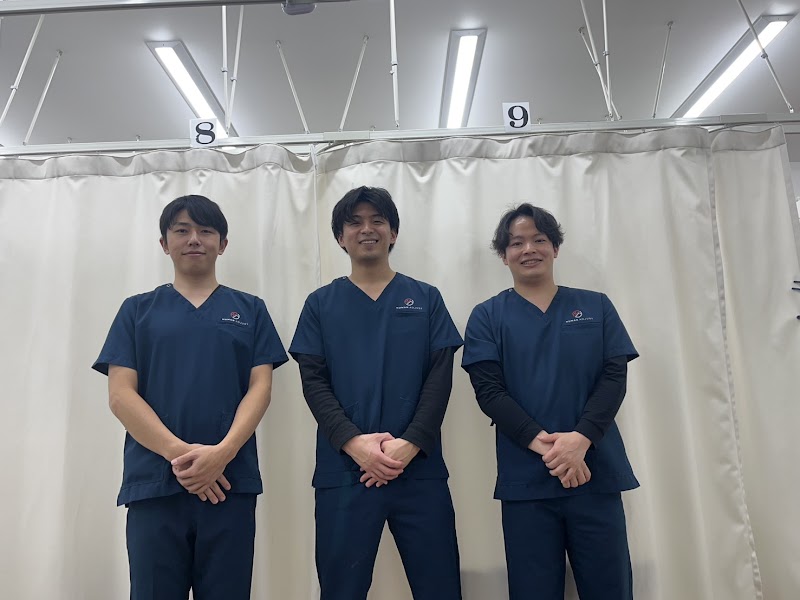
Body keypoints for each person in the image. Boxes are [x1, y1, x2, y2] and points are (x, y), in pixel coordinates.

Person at [92, 194, 288, 599]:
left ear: (223, 243)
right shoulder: (137, 311)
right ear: (164, 243)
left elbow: (261, 389)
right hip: (156, 484)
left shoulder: (250, 310)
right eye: (182, 230)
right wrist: (183, 457)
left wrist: (223, 454)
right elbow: (120, 395)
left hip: (229, 483)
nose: (194, 239)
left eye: (205, 230)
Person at [289, 186, 462, 600]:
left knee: (439, 587)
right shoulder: (320, 304)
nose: (366, 229)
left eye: (377, 221)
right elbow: (314, 382)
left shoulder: (425, 298)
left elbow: (440, 379)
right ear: (340, 237)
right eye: (354, 222)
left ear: (393, 233)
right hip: (345, 470)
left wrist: (411, 444)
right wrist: (355, 445)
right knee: (341, 590)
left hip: (418, 469)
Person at [462, 204, 639, 600]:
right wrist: (551, 448)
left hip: (594, 473)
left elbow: (614, 378)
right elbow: (489, 391)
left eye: (539, 239)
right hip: (528, 480)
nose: (529, 249)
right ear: (504, 255)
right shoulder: (487, 316)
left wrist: (581, 440)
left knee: (610, 589)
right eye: (516, 243)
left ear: (555, 248)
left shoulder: (596, 306)